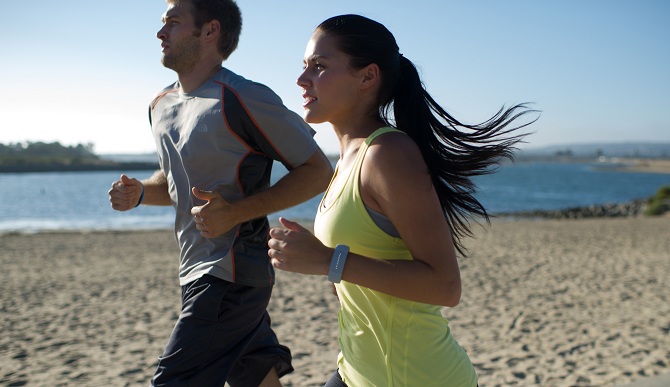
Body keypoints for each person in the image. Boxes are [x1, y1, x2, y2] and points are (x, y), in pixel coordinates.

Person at [268, 14, 537, 387]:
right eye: (304, 67)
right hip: (356, 372)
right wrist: (330, 266)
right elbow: (361, 271)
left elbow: (445, 286)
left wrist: (329, 261)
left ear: (367, 77)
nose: (302, 79)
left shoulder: (387, 154)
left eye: (320, 66)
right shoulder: (348, 160)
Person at [108, 0, 333, 386]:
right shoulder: (159, 104)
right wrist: (140, 193)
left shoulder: (244, 96)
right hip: (193, 267)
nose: (161, 33)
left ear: (210, 31)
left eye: (173, 23)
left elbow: (317, 171)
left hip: (230, 274)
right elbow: (178, 182)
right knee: (257, 379)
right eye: (163, 23)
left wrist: (236, 212)